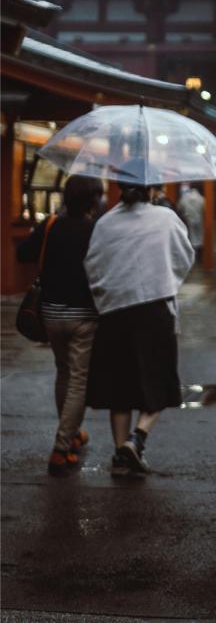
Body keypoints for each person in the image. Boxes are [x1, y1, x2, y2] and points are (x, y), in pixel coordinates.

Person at [84, 161, 194, 476]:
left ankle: (120, 451)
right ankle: (138, 439)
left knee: (120, 386)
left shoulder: (105, 223)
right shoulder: (166, 218)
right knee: (157, 380)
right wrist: (164, 279)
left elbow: (92, 264)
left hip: (115, 311)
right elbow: (183, 257)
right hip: (154, 309)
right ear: (151, 188)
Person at [17, 175, 104, 476]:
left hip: (51, 314)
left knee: (63, 371)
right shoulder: (96, 231)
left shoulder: (51, 224)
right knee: (79, 377)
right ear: (93, 200)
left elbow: (23, 253)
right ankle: (62, 446)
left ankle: (71, 433)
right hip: (84, 315)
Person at [178, 184, 205, 252]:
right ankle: (199, 250)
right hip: (199, 219)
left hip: (189, 219)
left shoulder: (184, 198)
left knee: (191, 235)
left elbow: (179, 207)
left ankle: (192, 250)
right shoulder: (201, 198)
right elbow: (205, 209)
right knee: (199, 235)